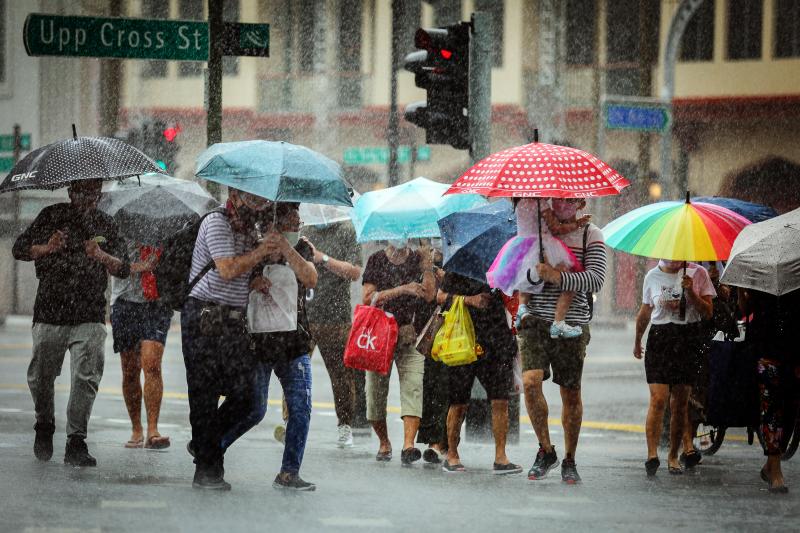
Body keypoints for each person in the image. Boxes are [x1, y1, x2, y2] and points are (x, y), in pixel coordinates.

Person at [12, 179, 130, 467]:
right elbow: (20, 249)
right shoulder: (51, 215)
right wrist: (47, 248)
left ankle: (76, 440)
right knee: (41, 377)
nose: (88, 198)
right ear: (70, 192)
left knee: (85, 378)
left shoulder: (106, 223)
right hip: (50, 311)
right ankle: (44, 423)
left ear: (100, 194)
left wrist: (100, 255)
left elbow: (124, 268)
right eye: (82, 192)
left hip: (89, 313)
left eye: (93, 192)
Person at [220, 202, 318, 491]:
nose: (297, 224)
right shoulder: (252, 247)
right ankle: (211, 446)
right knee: (254, 408)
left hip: (294, 343)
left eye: (298, 221)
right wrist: (255, 277)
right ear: (276, 221)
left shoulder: (302, 248)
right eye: (292, 219)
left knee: (301, 407)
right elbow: (233, 279)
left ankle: (289, 472)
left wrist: (287, 249)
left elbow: (311, 278)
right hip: (258, 341)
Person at [181, 188, 273, 490]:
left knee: (246, 394)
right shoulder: (217, 222)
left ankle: (204, 446)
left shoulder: (248, 229)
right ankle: (208, 472)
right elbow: (227, 268)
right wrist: (259, 252)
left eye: (260, 201)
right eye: (252, 198)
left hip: (233, 320)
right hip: (204, 317)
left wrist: (255, 279)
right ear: (234, 195)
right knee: (204, 396)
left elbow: (240, 275)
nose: (257, 205)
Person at [519, 197, 606, 484]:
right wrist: (534, 272)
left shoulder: (590, 233)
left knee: (570, 393)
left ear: (581, 201)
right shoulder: (537, 228)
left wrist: (558, 277)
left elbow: (595, 280)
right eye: (559, 197)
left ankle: (569, 458)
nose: (564, 202)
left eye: (570, 198)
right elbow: (520, 272)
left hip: (572, 321)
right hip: (534, 319)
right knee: (530, 382)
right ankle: (545, 450)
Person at [634, 260, 715, 476]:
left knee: (679, 403)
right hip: (660, 338)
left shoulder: (698, 273)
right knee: (658, 398)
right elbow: (645, 311)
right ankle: (652, 454)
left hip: (687, 338)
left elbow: (708, 312)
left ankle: (673, 455)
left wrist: (691, 293)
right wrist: (637, 340)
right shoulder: (652, 276)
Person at [437, 272, 522, 474]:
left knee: (500, 398)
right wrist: (469, 300)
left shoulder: (504, 266)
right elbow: (440, 296)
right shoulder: (460, 266)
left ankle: (500, 457)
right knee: (459, 400)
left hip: (497, 338)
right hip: (464, 337)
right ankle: (452, 454)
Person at [362, 239, 436, 464]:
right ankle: (384, 442)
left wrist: (427, 267)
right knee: (375, 393)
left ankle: (408, 445)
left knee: (413, 388)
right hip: (379, 336)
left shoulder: (416, 260)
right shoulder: (376, 260)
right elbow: (368, 298)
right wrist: (401, 290)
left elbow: (430, 295)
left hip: (409, 335)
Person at [487, 198, 591, 339]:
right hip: (542, 244)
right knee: (569, 281)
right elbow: (556, 228)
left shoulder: (519, 202)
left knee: (525, 279)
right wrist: (577, 224)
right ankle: (559, 322)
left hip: (521, 245)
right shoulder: (540, 203)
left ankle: (521, 310)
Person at [301, 221, 365, 447]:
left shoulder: (347, 231)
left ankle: (345, 425)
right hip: (304, 315)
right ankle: (292, 422)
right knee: (295, 372)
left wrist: (323, 259)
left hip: (335, 318)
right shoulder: (304, 231)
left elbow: (355, 272)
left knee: (341, 376)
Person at [111, 242, 173, 450]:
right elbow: (108, 263)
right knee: (130, 370)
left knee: (152, 364)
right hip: (125, 302)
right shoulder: (118, 225)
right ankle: (136, 428)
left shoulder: (169, 225)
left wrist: (162, 264)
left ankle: (153, 429)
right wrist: (138, 266)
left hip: (157, 302)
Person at [738, 288, 799, 494]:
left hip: (794, 348)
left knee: (791, 408)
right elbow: (744, 310)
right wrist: (741, 293)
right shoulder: (759, 271)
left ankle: (771, 463)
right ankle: (776, 471)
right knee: (773, 409)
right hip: (765, 348)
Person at [414, 239, 449, 464]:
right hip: (428, 327)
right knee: (431, 384)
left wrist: (440, 271)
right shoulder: (421, 251)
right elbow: (426, 294)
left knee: (447, 385)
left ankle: (441, 442)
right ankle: (432, 439)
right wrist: (427, 261)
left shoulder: (455, 249)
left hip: (452, 321)